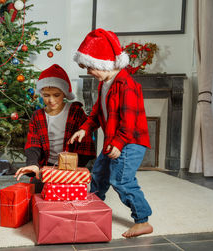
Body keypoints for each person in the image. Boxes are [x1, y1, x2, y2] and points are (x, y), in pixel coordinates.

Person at [69, 28, 153, 238]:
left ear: (103, 63)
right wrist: (84, 129)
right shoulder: (105, 84)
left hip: (129, 142)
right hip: (113, 141)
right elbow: (98, 112)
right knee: (99, 174)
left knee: (122, 180)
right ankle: (92, 207)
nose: (89, 72)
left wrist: (119, 143)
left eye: (91, 68)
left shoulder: (126, 85)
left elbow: (129, 121)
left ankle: (142, 220)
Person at [14, 64, 96, 192]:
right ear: (41, 94)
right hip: (46, 166)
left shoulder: (75, 112)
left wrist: (72, 169)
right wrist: (33, 165)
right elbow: (33, 144)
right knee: (37, 192)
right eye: (46, 95)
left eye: (56, 95)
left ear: (64, 93)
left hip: (71, 167)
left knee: (69, 195)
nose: (51, 100)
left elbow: (85, 144)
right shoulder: (38, 116)